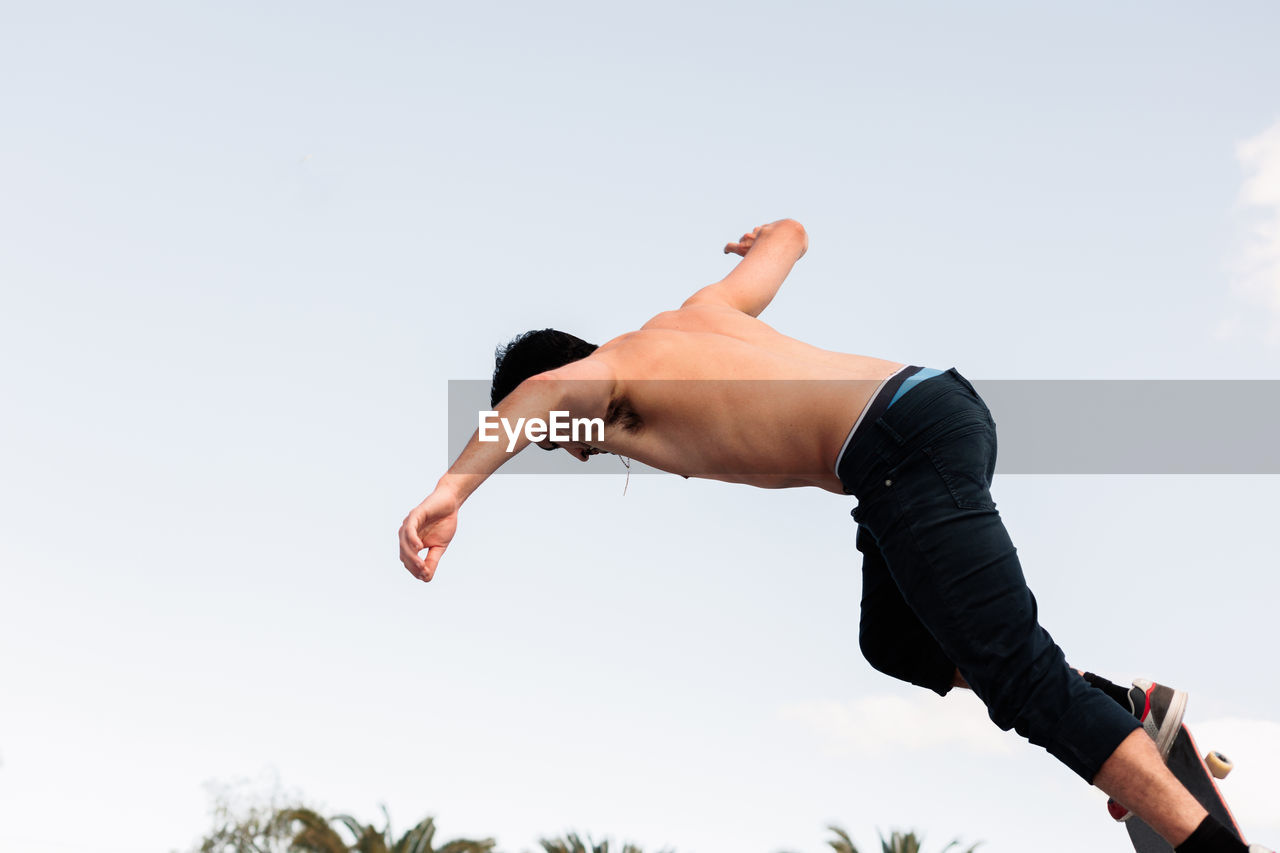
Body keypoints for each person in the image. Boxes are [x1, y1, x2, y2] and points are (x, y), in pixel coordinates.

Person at [399, 219, 1267, 853]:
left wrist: (452, 487)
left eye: (561, 446)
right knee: (891, 638)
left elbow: (538, 398)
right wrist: (768, 239)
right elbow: (792, 238)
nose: (578, 454)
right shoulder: (697, 313)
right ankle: (1120, 710)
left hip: (893, 446)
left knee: (1021, 680)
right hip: (927, 408)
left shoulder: (599, 378)